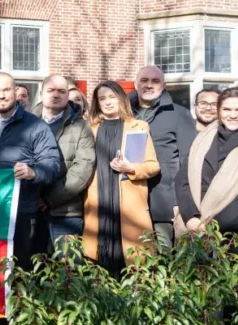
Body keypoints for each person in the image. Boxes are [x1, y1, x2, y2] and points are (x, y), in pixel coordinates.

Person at [0, 73, 61, 325]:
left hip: (22, 212)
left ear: (15, 91)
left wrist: (34, 171)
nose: (2, 95)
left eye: (7, 90)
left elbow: (53, 163)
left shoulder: (36, 126)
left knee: (21, 271)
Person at [175, 87, 238, 241]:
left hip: (235, 236)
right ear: (219, 111)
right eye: (227, 109)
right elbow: (183, 180)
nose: (233, 115)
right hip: (193, 228)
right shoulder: (201, 140)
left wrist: (212, 227)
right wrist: (190, 217)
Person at [82, 81, 160, 277]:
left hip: (129, 208)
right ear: (97, 103)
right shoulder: (89, 129)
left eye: (112, 97)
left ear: (121, 99)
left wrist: (131, 168)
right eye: (102, 98)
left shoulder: (138, 126)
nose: (108, 102)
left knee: (134, 266)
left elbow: (153, 166)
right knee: (97, 266)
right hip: (99, 204)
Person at [128, 66, 196, 250]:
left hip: (163, 201)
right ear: (135, 84)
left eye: (155, 81)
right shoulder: (123, 113)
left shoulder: (179, 114)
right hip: (129, 198)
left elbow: (188, 160)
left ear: (164, 85)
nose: (149, 85)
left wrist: (182, 201)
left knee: (163, 253)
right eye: (144, 80)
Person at [33, 75, 96, 245]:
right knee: (28, 261)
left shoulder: (81, 126)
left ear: (67, 95)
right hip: (30, 209)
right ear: (41, 94)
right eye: (51, 90)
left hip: (66, 212)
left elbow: (84, 167)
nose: (56, 95)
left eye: (61, 91)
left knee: (68, 261)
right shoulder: (26, 122)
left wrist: (50, 198)